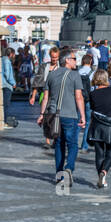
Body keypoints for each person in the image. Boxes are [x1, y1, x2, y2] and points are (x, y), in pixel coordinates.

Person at [39, 48, 85, 192]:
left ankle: (59, 176)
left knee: (58, 144)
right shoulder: (75, 75)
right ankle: (68, 168)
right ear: (67, 60)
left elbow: (46, 97)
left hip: (54, 114)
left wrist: (42, 114)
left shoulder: (51, 75)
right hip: (70, 115)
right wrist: (82, 115)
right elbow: (79, 97)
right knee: (72, 144)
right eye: (74, 58)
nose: (76, 61)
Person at [88, 68, 111, 189]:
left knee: (99, 154)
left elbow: (92, 107)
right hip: (110, 126)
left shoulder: (92, 93)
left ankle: (100, 177)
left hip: (97, 126)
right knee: (110, 152)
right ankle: (104, 172)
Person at [31, 47, 60, 154]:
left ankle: (56, 139)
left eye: (56, 57)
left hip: (57, 95)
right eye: (53, 57)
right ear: (50, 56)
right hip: (45, 94)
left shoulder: (61, 67)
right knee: (46, 117)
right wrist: (33, 96)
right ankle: (47, 140)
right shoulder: (44, 67)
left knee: (56, 117)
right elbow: (37, 81)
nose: (54, 59)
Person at [78, 53, 94, 150]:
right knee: (88, 122)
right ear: (91, 61)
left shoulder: (77, 72)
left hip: (79, 98)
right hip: (88, 98)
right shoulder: (92, 73)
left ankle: (73, 144)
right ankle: (84, 146)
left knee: (78, 121)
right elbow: (93, 87)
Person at [1, 48, 17, 126]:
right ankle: (4, 122)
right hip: (7, 85)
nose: (14, 56)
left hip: (3, 84)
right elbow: (7, 74)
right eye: (14, 54)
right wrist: (13, 83)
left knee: (4, 104)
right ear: (11, 54)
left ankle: (4, 120)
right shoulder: (7, 61)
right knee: (6, 105)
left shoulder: (2, 59)